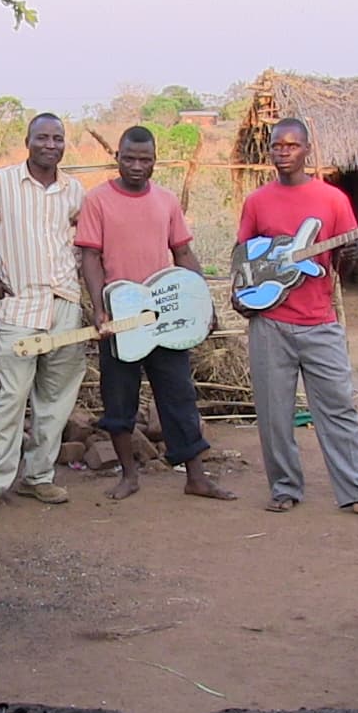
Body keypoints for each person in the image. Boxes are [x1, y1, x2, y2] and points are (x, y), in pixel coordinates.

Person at [233, 118, 358, 518]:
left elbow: (343, 265)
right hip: (269, 320)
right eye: (277, 146)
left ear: (307, 151)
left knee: (338, 407)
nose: (283, 152)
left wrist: (349, 259)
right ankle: (284, 488)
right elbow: (243, 255)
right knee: (274, 412)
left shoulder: (332, 200)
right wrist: (239, 294)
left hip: (319, 321)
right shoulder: (258, 201)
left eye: (292, 146)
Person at [75, 125, 238, 502]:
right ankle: (129, 476)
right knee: (119, 401)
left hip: (166, 315)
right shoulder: (97, 200)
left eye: (144, 159)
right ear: (117, 157)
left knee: (179, 396)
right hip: (121, 318)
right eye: (129, 158)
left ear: (154, 161)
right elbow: (90, 257)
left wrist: (203, 304)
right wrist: (100, 309)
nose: (136, 166)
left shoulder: (166, 201)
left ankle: (196, 477)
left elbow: (182, 253)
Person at [0, 114, 89, 520]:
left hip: (65, 303)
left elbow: (81, 241)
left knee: (56, 397)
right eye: (42, 137)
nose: (50, 145)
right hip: (19, 306)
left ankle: (39, 476)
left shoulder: (74, 190)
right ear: (27, 141)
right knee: (12, 398)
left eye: (58, 138)